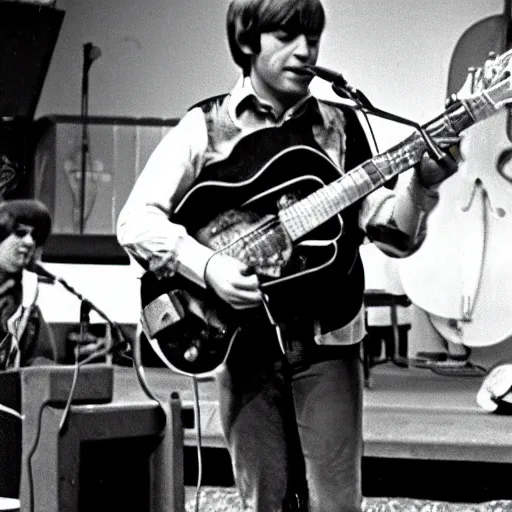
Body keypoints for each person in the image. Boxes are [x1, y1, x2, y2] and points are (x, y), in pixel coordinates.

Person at [117, 0, 459, 510]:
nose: (306, 52)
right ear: (249, 42)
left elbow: (394, 234)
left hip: (330, 339)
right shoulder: (204, 125)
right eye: (286, 37)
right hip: (237, 344)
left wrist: (422, 185)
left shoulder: (341, 126)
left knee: (337, 504)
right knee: (265, 502)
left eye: (313, 38)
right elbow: (135, 222)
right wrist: (207, 266)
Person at [0, 199, 55, 370]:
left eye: (35, 236)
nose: (29, 242)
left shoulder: (25, 301)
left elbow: (42, 362)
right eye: (20, 232)